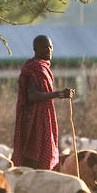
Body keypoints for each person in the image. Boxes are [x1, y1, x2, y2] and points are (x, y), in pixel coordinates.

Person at [13, 35, 74, 170]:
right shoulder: (34, 68)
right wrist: (59, 94)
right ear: (35, 49)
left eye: (51, 47)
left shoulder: (43, 67)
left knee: (43, 150)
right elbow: (32, 96)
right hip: (33, 120)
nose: (49, 50)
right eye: (45, 47)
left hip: (44, 116)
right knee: (34, 153)